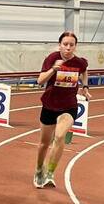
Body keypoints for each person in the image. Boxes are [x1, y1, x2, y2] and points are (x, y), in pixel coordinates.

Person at [34, 31, 90, 189]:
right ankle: (39, 169)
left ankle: (50, 173)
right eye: (65, 44)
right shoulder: (52, 58)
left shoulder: (79, 62)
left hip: (69, 106)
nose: (68, 47)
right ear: (60, 45)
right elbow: (40, 81)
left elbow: (84, 70)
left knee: (59, 137)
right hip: (49, 105)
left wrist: (85, 86)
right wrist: (53, 69)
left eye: (71, 45)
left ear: (75, 46)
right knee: (44, 144)